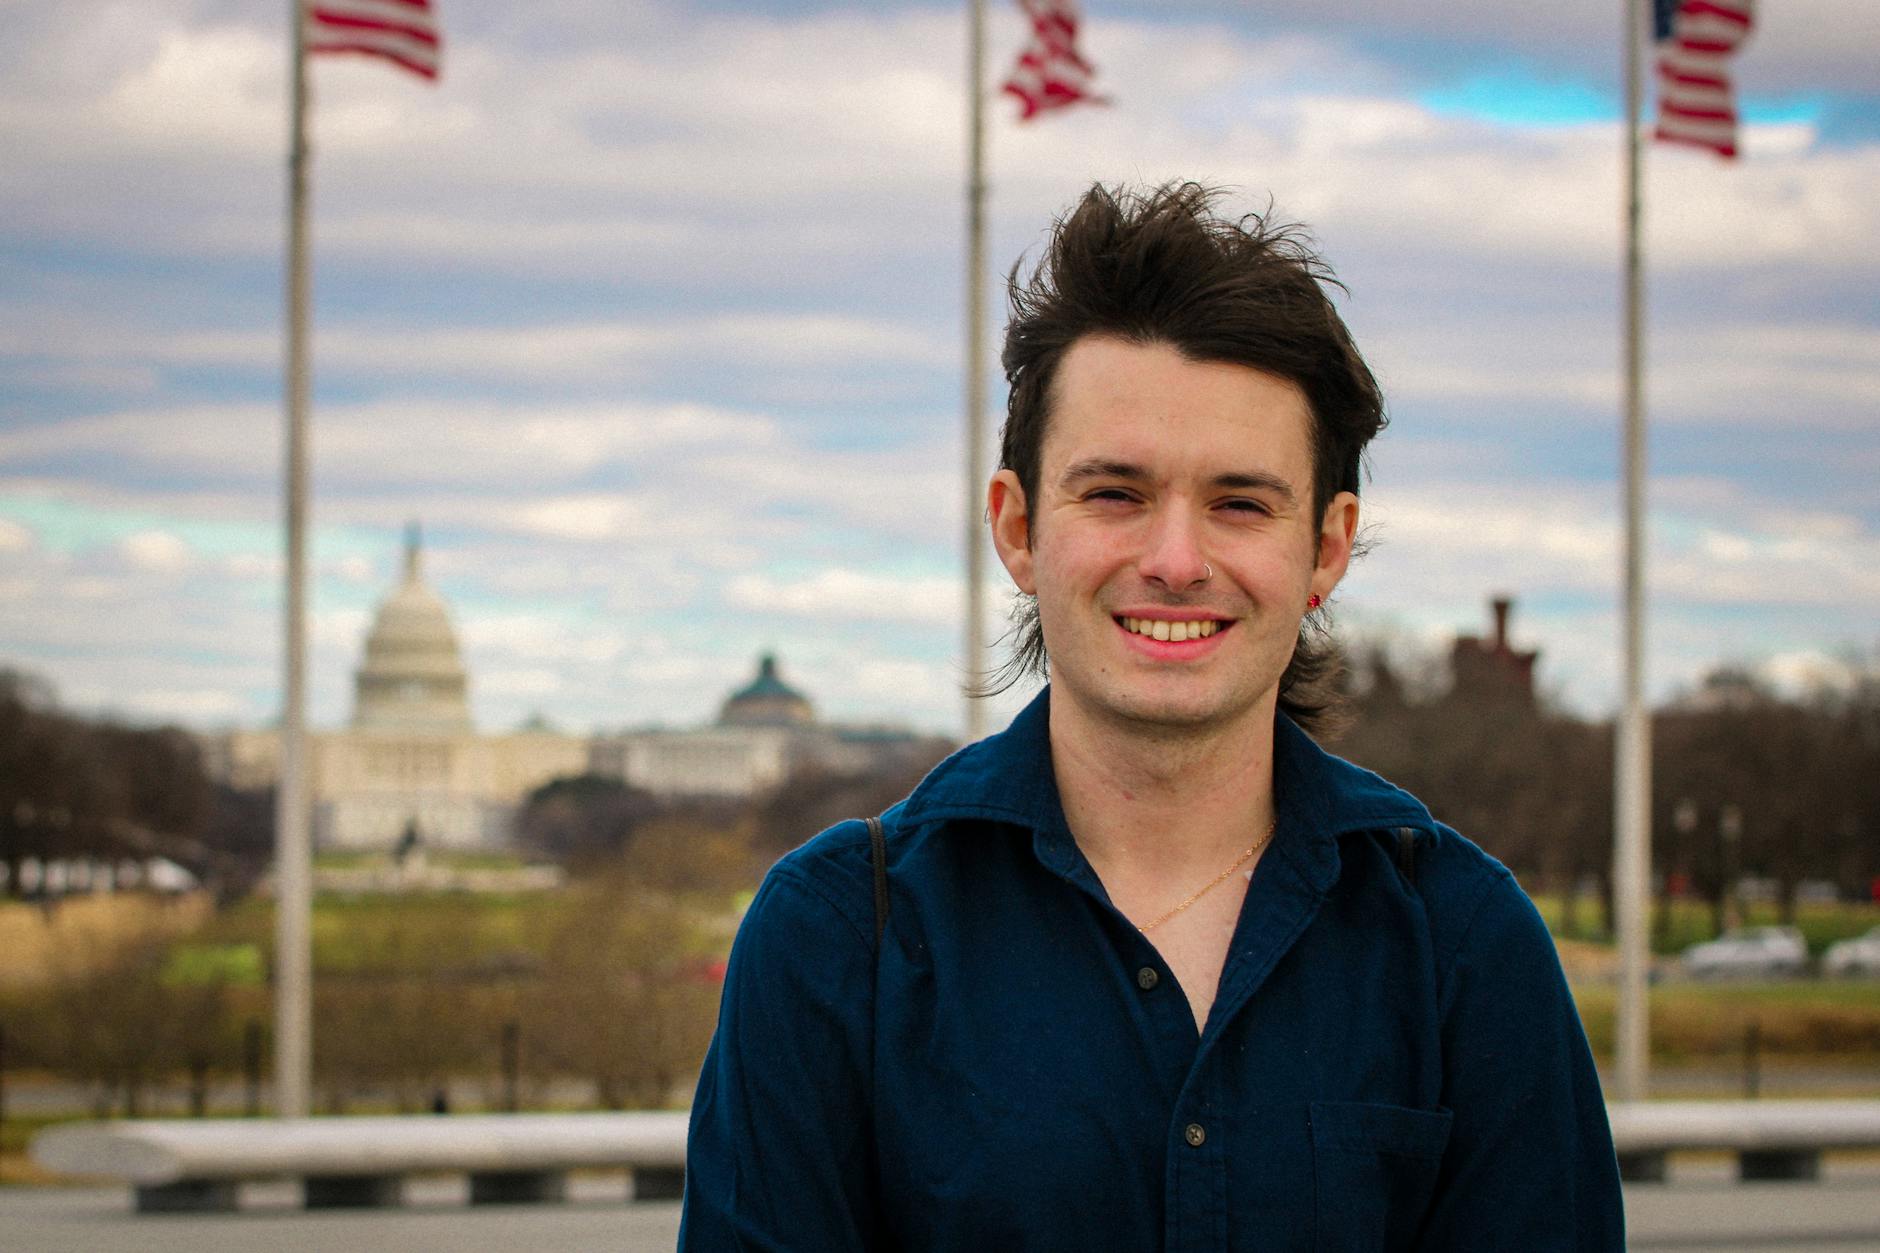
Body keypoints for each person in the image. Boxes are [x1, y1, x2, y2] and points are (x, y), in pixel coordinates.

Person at [680, 182, 1624, 1251]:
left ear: (1324, 548)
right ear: (1018, 527)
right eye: (1115, 494)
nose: (1175, 560)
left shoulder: (1462, 942)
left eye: (1239, 503)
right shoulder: (834, 939)